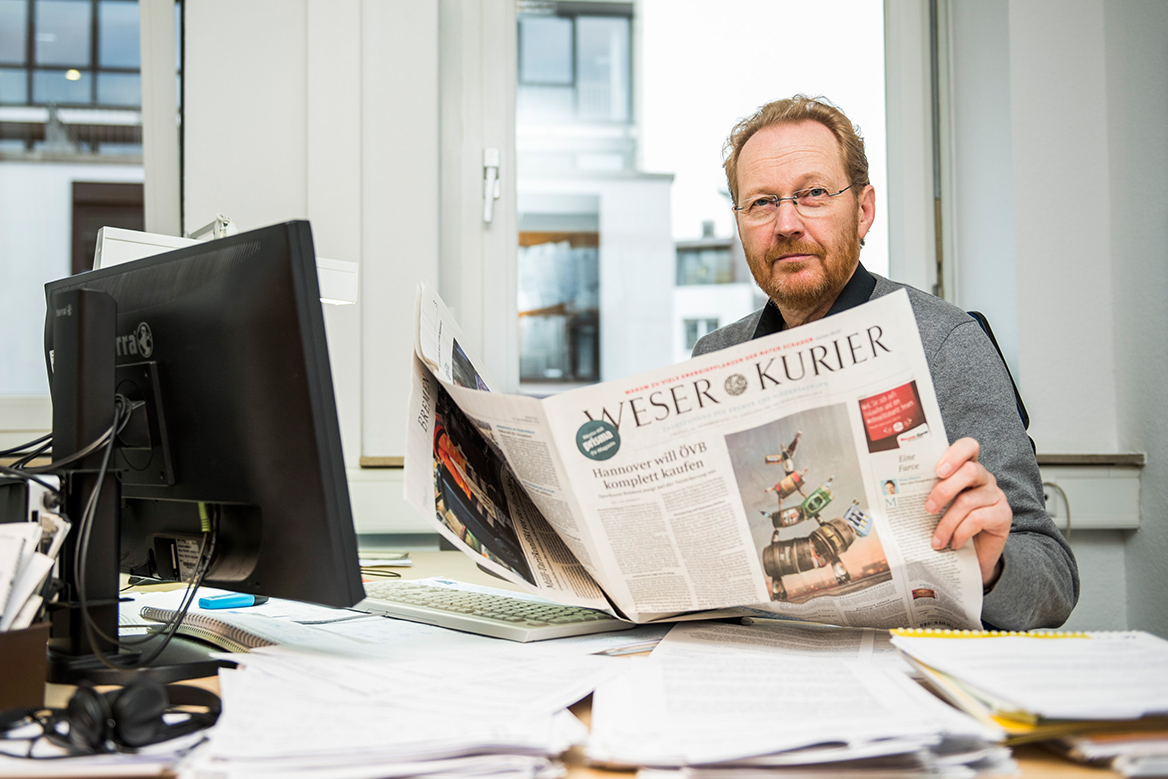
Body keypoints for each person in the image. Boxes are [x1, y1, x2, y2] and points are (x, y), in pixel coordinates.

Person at [694, 95, 1078, 630]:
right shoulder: (713, 359)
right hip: (756, 664)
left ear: (864, 210)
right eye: (761, 203)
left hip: (907, 671)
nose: (786, 223)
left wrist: (992, 566)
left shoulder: (947, 342)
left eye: (813, 194)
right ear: (739, 224)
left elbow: (1054, 582)